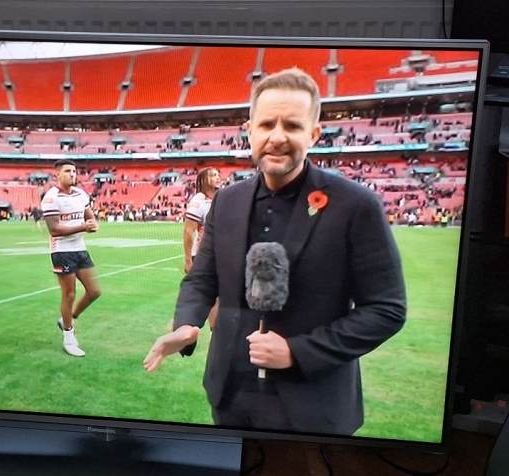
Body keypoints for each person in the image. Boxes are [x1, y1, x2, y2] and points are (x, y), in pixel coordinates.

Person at [143, 68, 406, 435]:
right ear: (250, 130)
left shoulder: (356, 205)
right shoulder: (227, 201)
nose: (277, 137)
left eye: (292, 126)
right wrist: (187, 323)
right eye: (267, 124)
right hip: (230, 395)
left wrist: (298, 351)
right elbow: (202, 279)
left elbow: (386, 309)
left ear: (313, 134)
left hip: (314, 407)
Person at [41, 160, 101, 357]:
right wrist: (83, 227)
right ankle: (69, 337)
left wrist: (93, 224)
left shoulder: (81, 194)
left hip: (80, 248)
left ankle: (68, 318)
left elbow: (89, 216)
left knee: (94, 291)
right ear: (57, 174)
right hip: (62, 251)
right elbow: (54, 229)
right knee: (69, 294)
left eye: (74, 171)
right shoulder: (51, 198)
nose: (72, 174)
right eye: (67, 171)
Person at [183, 167, 222, 330]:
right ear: (204, 180)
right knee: (208, 298)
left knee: (219, 297)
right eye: (213, 175)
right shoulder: (199, 201)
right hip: (202, 256)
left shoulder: (220, 198)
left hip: (218, 255)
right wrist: (188, 260)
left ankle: (215, 331)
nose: (218, 177)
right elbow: (188, 231)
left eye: (218, 174)